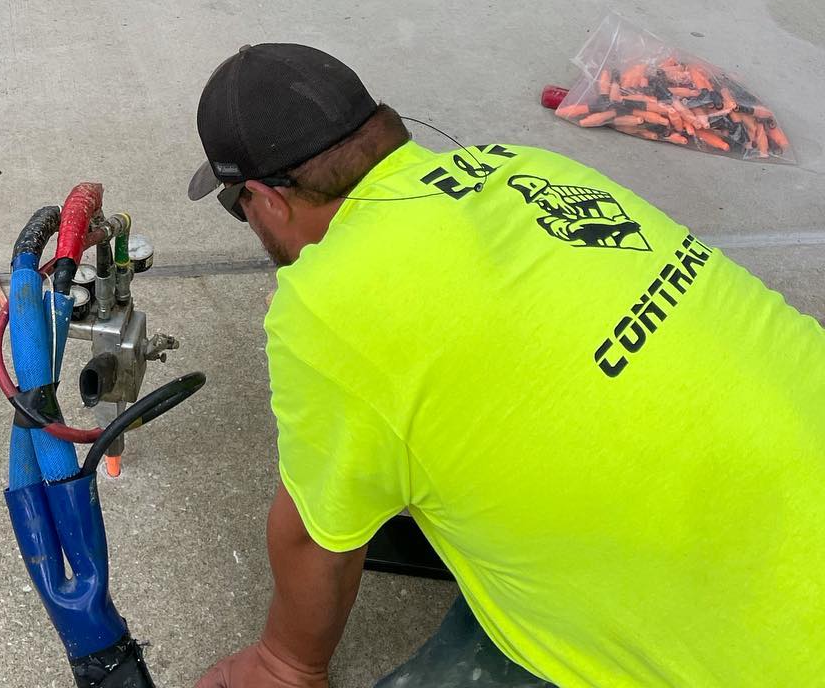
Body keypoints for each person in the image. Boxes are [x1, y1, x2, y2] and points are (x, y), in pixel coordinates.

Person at [187, 43, 825, 688]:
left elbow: (314, 538)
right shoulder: (527, 166)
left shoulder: (324, 308)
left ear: (266, 198)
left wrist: (282, 663)